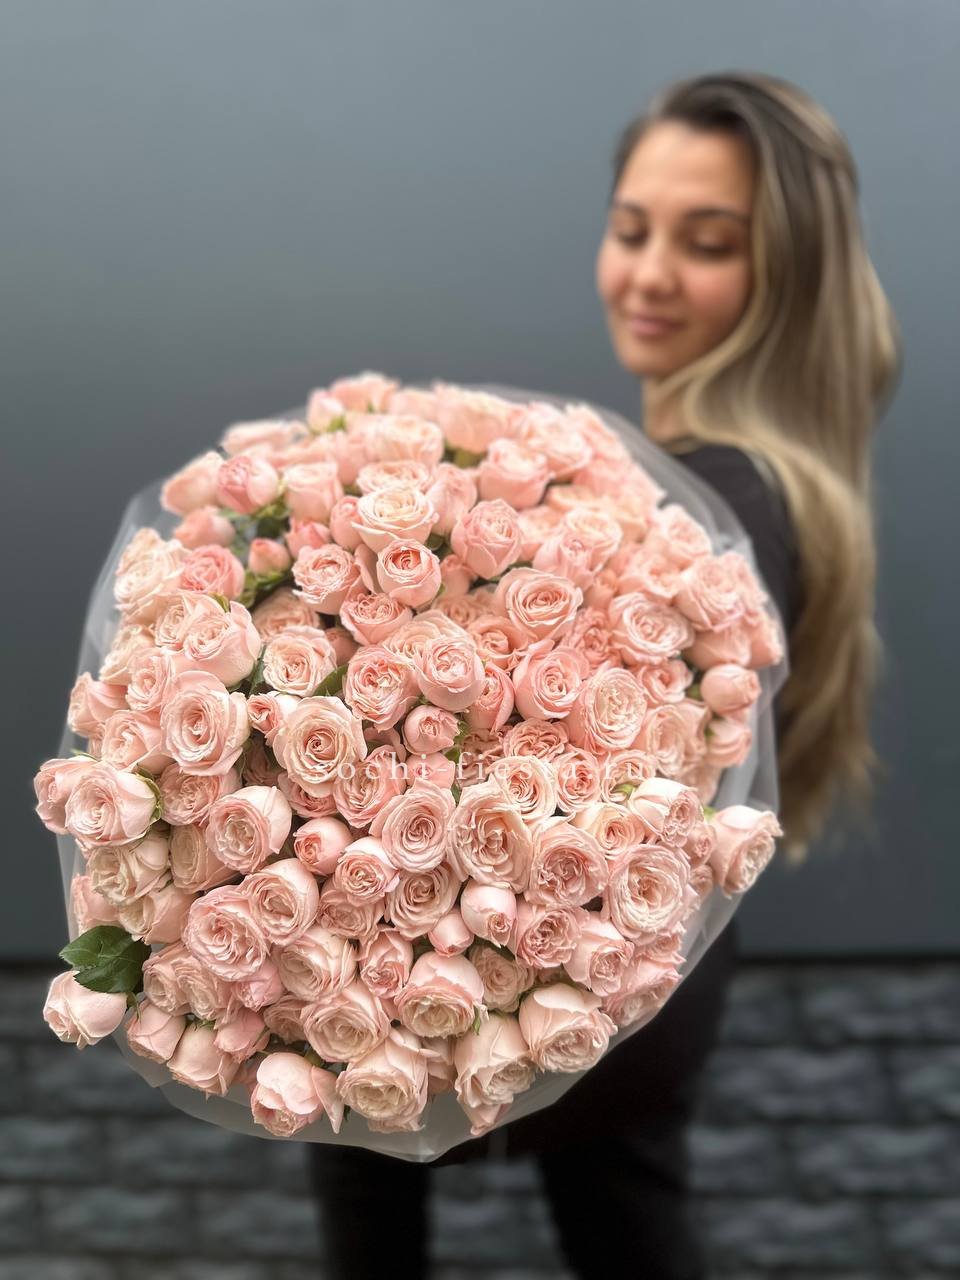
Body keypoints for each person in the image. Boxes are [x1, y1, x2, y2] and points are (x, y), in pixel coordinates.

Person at [307, 70, 902, 1278]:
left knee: (374, 1165)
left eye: (708, 243)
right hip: (648, 983)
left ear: (789, 273)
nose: (648, 275)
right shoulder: (736, 474)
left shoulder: (726, 499)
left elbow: (584, 772)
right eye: (632, 230)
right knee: (624, 1227)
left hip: (596, 981)